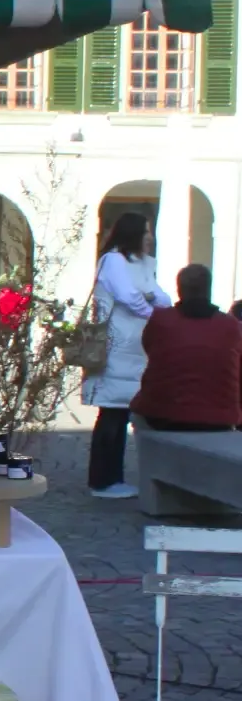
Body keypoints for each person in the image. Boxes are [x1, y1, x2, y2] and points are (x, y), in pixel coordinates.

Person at [83, 211, 170, 499]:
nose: (150, 237)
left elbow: (159, 296)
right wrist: (153, 313)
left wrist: (157, 307)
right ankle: (102, 480)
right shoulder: (114, 261)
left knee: (121, 412)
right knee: (112, 412)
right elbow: (130, 297)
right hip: (116, 346)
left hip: (136, 347)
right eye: (145, 231)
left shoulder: (142, 264)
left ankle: (113, 477)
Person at [131, 265, 242, 432]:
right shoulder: (230, 325)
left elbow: (149, 347)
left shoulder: (161, 320)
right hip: (219, 418)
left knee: (136, 413)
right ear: (208, 289)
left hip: (163, 414)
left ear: (179, 290)